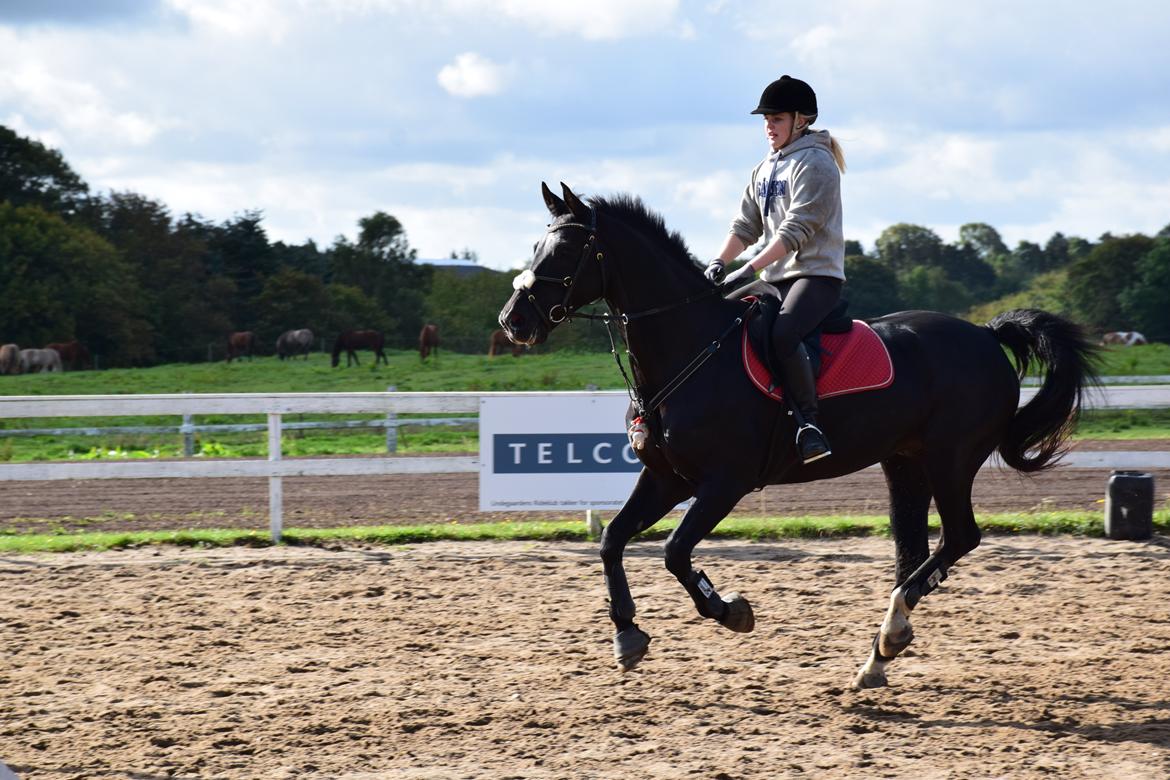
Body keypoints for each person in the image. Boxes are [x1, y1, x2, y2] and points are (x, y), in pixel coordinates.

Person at [705, 75, 846, 465]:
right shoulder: (763, 169)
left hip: (815, 277)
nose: (768, 125)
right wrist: (718, 263)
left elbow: (795, 231)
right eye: (766, 119)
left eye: (777, 118)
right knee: (719, 323)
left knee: (783, 334)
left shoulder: (818, 163)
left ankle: (809, 425)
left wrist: (746, 269)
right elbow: (745, 227)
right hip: (773, 278)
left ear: (801, 120)